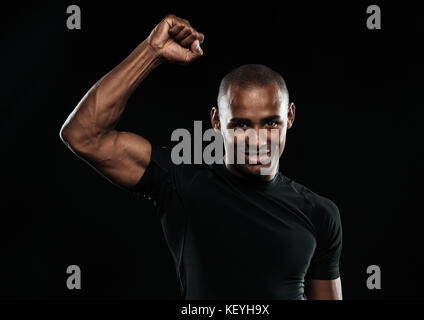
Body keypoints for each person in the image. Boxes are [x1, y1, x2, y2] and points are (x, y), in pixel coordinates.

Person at [60, 14, 343, 300]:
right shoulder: (182, 181)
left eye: (270, 123)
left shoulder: (319, 212)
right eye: (241, 125)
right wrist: (151, 52)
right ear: (217, 121)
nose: (257, 139)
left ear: (290, 117)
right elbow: (84, 135)